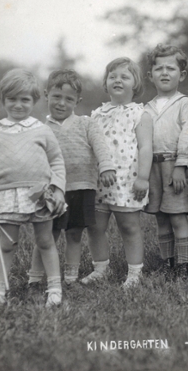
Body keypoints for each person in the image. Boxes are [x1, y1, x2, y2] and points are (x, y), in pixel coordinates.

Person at [0, 69, 66, 308]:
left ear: (34, 101)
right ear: (3, 99)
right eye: (12, 99)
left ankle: (55, 289)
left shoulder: (42, 129)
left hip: (40, 194)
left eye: (24, 99)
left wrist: (58, 189)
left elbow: (57, 160)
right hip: (7, 195)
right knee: (6, 244)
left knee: (46, 241)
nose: (18, 105)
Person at [28, 69, 116, 287]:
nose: (61, 103)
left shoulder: (86, 124)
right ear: (46, 94)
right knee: (48, 234)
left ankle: (70, 278)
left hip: (82, 187)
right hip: (52, 191)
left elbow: (101, 147)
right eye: (56, 97)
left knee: (75, 234)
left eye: (69, 99)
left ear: (78, 101)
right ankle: (35, 278)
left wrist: (106, 167)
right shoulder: (40, 129)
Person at [82, 57, 153, 288]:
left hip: (128, 181)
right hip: (100, 181)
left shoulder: (139, 114)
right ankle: (100, 268)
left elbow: (145, 147)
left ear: (136, 83)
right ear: (106, 83)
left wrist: (143, 178)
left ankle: (134, 273)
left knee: (128, 226)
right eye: (112, 76)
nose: (118, 80)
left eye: (124, 76)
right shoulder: (97, 115)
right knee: (95, 226)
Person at [145, 45, 188, 277]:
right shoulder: (146, 108)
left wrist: (181, 164)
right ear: (150, 75)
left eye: (171, 68)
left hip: (174, 165)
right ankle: (168, 263)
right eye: (159, 68)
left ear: (181, 75)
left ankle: (184, 266)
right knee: (161, 219)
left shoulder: (184, 103)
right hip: (152, 168)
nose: (164, 73)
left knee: (177, 217)